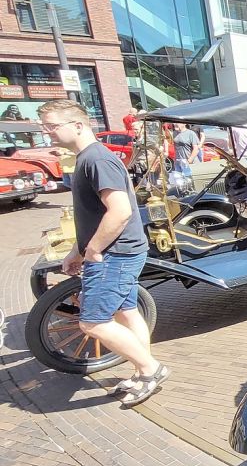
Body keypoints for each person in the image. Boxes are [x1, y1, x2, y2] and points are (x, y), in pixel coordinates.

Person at [37, 99, 167, 407]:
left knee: (92, 322)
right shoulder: (90, 159)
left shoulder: (96, 159)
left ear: (78, 125)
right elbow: (92, 214)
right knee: (126, 312)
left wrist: (92, 249)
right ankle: (142, 370)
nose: (48, 134)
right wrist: (77, 250)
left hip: (114, 255)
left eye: (52, 126)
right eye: (45, 127)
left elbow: (119, 211)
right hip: (114, 253)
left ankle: (151, 370)